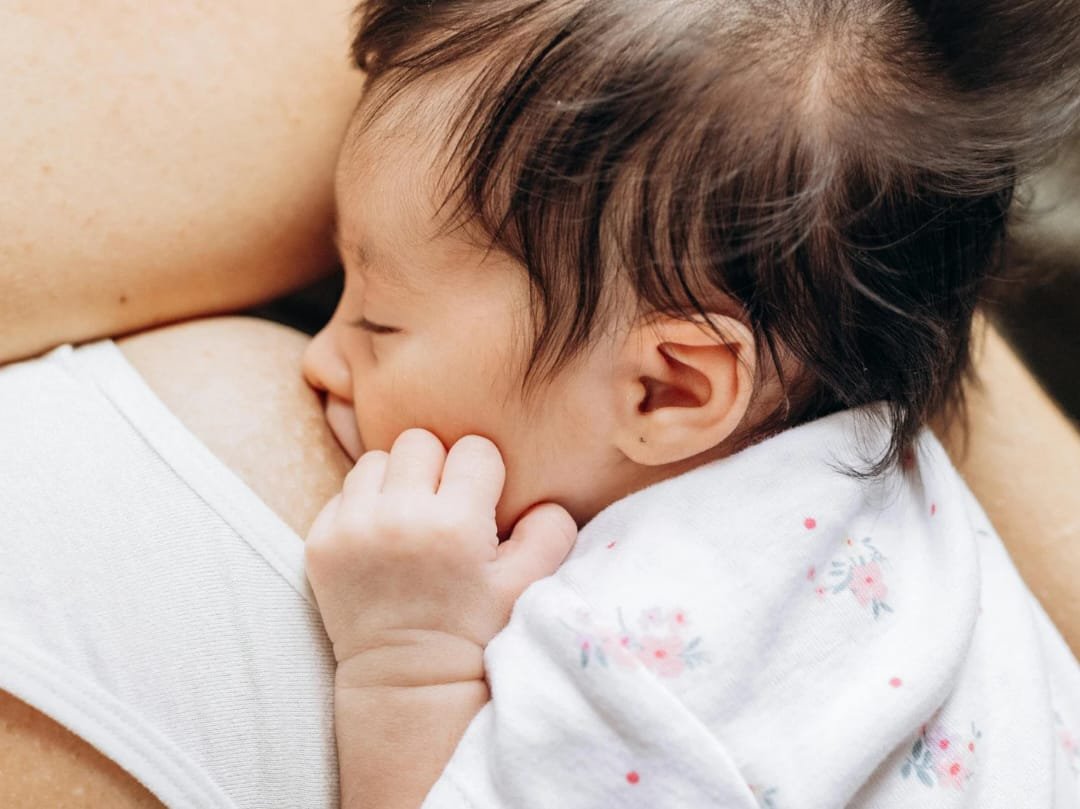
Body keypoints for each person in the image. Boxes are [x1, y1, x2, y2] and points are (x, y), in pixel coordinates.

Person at [0, 3, 1079, 809]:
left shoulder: (637, 651)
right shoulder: (929, 521)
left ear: (670, 387)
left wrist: (408, 657)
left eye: (374, 320)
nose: (320, 359)